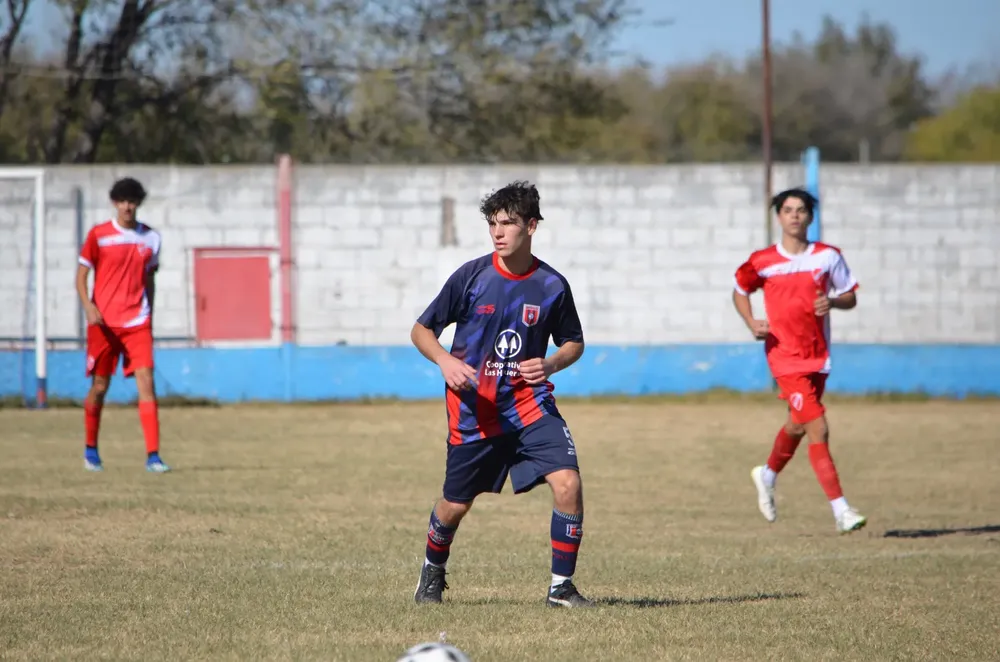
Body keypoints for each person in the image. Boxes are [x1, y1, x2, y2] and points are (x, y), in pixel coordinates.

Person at [410, 180, 593, 608]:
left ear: (531, 226)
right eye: (492, 223)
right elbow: (422, 330)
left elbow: (574, 343)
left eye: (507, 223)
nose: (498, 232)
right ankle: (431, 572)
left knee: (568, 482)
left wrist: (549, 364)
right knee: (455, 505)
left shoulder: (552, 285)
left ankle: (560, 589)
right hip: (475, 410)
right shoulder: (471, 276)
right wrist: (445, 361)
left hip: (530, 404)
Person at [732, 188, 866, 534]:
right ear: (779, 217)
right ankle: (842, 510)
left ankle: (768, 474)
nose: (794, 215)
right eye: (788, 210)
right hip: (783, 355)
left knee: (798, 423)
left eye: (801, 210)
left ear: (810, 216)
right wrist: (751, 322)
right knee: (818, 425)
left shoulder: (828, 256)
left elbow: (849, 294)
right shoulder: (762, 260)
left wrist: (834, 303)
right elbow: (740, 290)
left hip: (817, 356)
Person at [76, 177, 171, 474]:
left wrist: (150, 316)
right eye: (122, 201)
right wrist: (89, 307)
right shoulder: (99, 235)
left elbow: (149, 278)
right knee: (101, 386)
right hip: (104, 324)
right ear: (115, 203)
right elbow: (81, 277)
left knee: (146, 383)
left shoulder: (151, 238)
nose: (127, 206)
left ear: (138, 203)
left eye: (132, 201)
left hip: (137, 322)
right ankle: (91, 450)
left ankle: (153, 456)